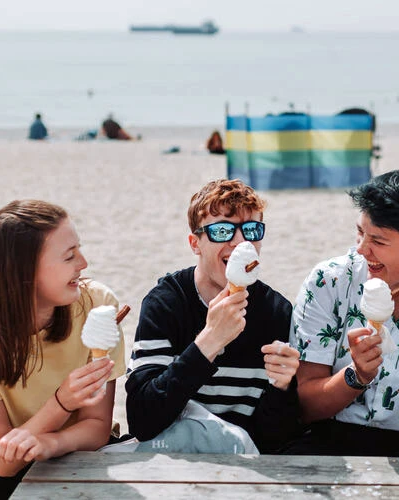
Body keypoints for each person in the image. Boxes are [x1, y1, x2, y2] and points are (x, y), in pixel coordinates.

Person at [0, 200, 126, 500]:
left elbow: (96, 428)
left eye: (78, 249)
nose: (83, 263)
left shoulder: (97, 305)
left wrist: (50, 443)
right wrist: (61, 403)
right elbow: (2, 463)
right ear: (24, 272)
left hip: (79, 446)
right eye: (69, 256)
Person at [288, 168, 399, 457]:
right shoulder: (329, 281)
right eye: (360, 233)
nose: (361, 249)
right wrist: (357, 375)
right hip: (326, 438)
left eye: (378, 241)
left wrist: (398, 483)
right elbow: (306, 407)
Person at [125, 179, 302, 454]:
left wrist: (283, 388)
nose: (241, 242)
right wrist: (208, 342)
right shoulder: (165, 304)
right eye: (222, 231)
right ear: (195, 243)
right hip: (168, 457)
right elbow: (142, 421)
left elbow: (273, 440)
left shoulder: (277, 312)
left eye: (252, 229)